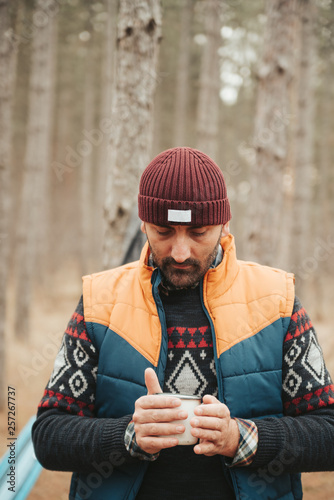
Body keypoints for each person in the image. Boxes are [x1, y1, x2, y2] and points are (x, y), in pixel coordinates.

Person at [32, 147, 334, 500]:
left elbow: (327, 433)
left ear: (225, 223)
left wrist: (240, 438)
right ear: (143, 223)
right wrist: (128, 436)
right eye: (163, 231)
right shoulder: (100, 301)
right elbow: (48, 435)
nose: (180, 251)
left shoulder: (277, 301)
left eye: (198, 232)